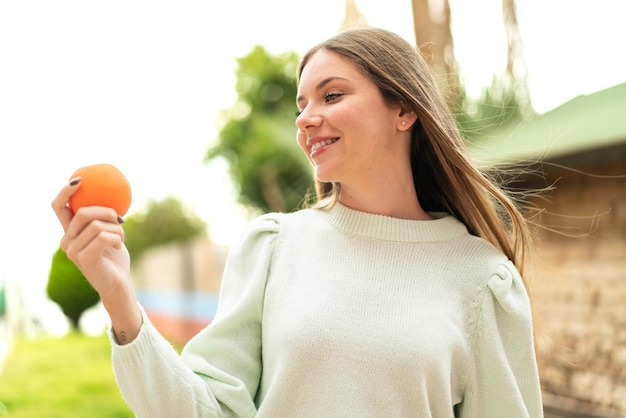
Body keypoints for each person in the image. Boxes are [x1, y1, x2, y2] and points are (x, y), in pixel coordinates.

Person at [52, 27, 543, 417]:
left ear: (404, 109)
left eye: (331, 96)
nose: (305, 118)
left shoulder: (482, 280)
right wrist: (119, 297)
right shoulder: (273, 247)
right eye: (301, 104)